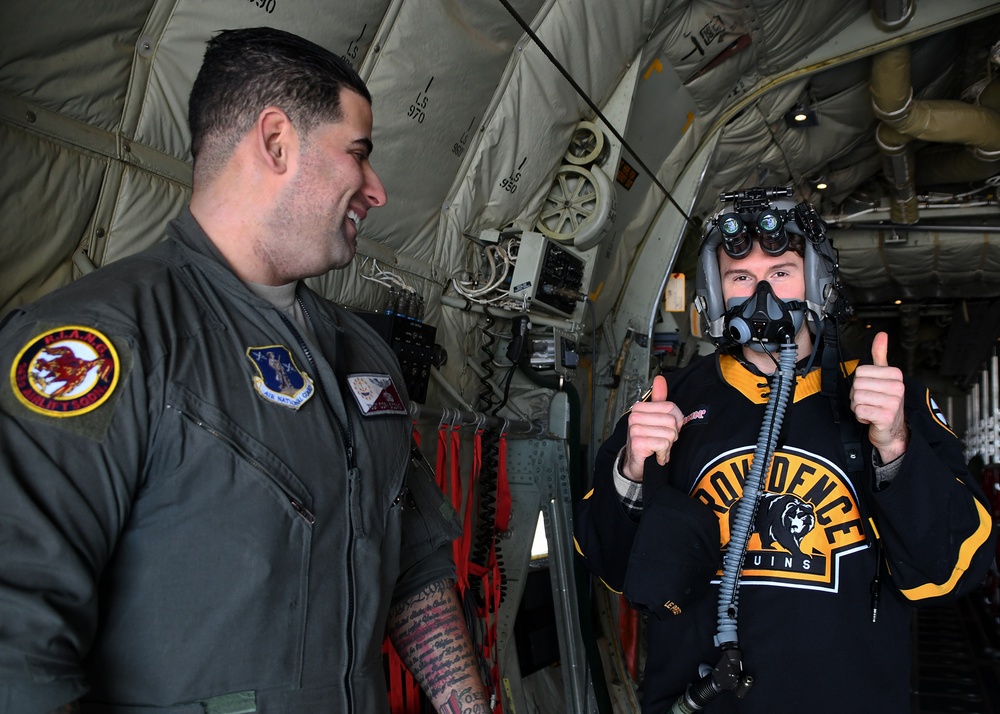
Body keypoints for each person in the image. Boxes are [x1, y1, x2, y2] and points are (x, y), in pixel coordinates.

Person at [0, 27, 489, 714]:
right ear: (277, 142)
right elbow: (17, 638)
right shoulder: (105, 342)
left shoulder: (365, 356)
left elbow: (414, 562)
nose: (376, 191)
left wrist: (470, 708)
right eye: (358, 155)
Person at [575, 187, 996, 713]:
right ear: (716, 290)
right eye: (740, 277)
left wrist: (894, 447)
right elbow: (608, 565)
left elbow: (952, 570)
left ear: (816, 281)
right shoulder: (670, 403)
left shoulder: (888, 399)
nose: (761, 294)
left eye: (780, 273)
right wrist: (632, 469)